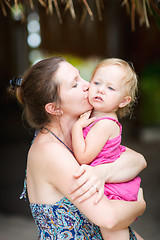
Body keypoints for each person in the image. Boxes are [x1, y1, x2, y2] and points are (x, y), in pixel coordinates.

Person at [9, 56, 146, 239]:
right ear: (54, 108)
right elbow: (109, 219)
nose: (88, 85)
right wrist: (140, 203)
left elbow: (138, 159)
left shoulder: (81, 131)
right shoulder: (50, 151)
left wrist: (104, 172)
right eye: (75, 84)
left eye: (81, 77)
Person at [72, 58, 145, 239]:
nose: (101, 89)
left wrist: (76, 128)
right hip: (106, 182)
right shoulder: (94, 116)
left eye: (111, 88)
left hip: (113, 189)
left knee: (112, 233)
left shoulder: (104, 123)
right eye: (96, 82)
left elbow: (83, 157)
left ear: (124, 101)